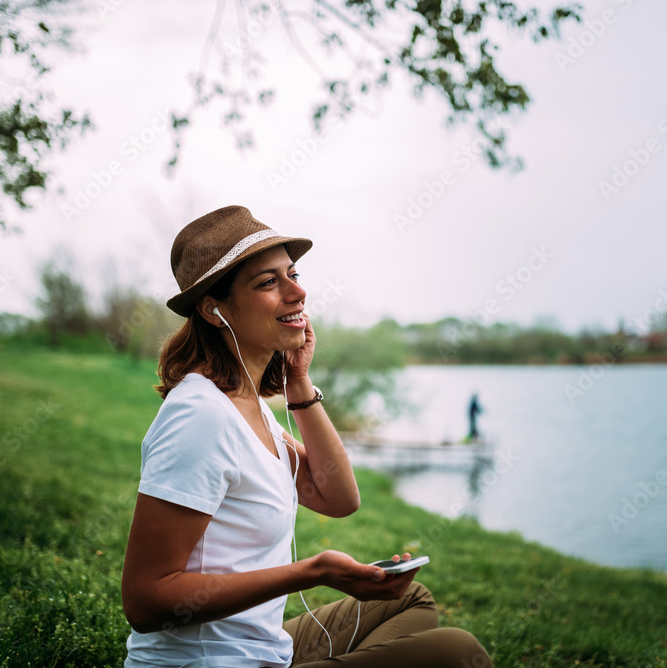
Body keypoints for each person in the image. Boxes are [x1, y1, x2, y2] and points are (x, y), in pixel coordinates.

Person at [121, 205, 492, 667]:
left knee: (409, 600)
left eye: (292, 274)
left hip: (260, 645)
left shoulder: (250, 406)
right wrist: (311, 572)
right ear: (215, 311)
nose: (298, 292)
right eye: (268, 282)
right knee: (460, 653)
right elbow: (144, 602)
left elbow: (338, 498)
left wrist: (298, 383)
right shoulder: (201, 416)